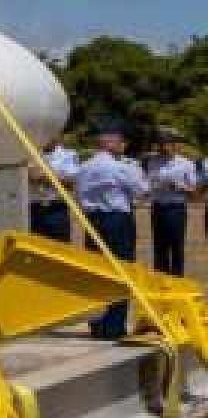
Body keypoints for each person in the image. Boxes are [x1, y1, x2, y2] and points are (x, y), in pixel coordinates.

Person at [76, 124, 148, 339]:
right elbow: (141, 190)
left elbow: (79, 193)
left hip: (92, 220)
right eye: (122, 142)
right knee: (121, 271)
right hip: (116, 219)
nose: (125, 146)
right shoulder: (121, 167)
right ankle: (114, 326)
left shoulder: (85, 166)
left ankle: (97, 324)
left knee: (97, 272)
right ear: (111, 143)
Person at [148, 127, 198, 277]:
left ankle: (177, 281)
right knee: (159, 247)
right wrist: (155, 186)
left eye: (167, 144)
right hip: (158, 208)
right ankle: (160, 282)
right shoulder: (152, 162)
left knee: (176, 247)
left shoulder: (186, 164)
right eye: (161, 144)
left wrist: (179, 187)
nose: (163, 147)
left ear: (175, 145)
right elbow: (147, 184)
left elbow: (194, 193)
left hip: (176, 209)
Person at [30, 137, 81, 242]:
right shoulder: (30, 155)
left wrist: (44, 177)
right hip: (34, 208)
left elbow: (71, 181)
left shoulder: (68, 155)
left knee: (59, 245)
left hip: (56, 208)